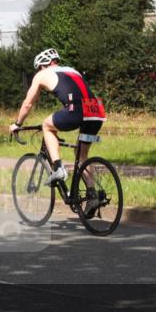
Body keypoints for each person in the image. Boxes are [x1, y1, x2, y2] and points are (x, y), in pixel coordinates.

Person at [9, 48, 107, 206]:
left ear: (42, 65)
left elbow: (27, 104)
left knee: (46, 126)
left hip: (77, 111)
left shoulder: (41, 75)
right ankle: (92, 195)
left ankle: (58, 168)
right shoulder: (73, 71)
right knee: (82, 154)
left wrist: (17, 124)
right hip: (96, 113)